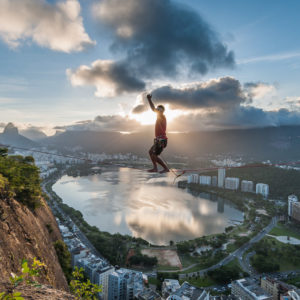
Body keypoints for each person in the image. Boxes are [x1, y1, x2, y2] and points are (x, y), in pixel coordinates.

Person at [147, 94, 169, 173]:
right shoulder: (159, 116)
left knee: (154, 155)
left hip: (162, 140)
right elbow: (154, 109)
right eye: (157, 109)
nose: (157, 110)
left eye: (158, 109)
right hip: (159, 140)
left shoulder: (162, 116)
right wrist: (149, 99)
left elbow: (153, 109)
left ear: (161, 110)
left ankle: (166, 168)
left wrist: (149, 99)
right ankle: (155, 168)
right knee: (150, 152)